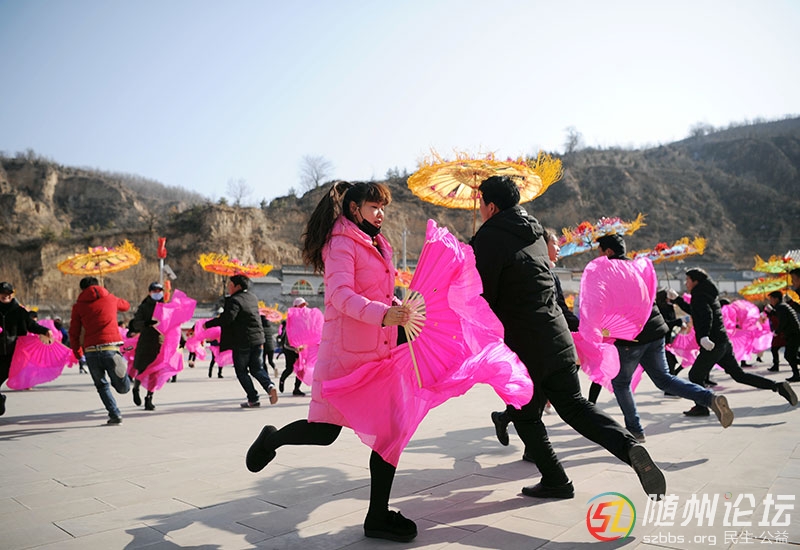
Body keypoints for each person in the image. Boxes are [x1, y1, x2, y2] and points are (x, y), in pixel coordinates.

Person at [245, 181, 418, 542]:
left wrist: (396, 307)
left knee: (390, 432)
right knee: (324, 433)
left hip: (377, 354)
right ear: (354, 208)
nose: (380, 214)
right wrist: (383, 314)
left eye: (383, 208)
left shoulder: (377, 243)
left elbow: (378, 293)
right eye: (374, 207)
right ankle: (271, 440)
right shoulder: (341, 243)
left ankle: (377, 516)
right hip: (344, 356)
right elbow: (340, 295)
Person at [475, 176, 665, 501]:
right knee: (574, 406)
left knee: (523, 413)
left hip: (525, 342)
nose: (480, 210)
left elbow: (484, 295)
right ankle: (628, 446)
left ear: (490, 206)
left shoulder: (489, 236)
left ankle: (556, 480)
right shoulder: (535, 233)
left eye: (481, 203)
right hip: (557, 335)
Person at [593, 234, 733, 442]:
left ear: (609, 252)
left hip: (633, 337)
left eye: (600, 252)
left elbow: (610, 306)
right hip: (656, 331)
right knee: (664, 379)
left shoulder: (610, 273)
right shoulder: (638, 268)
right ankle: (709, 398)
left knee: (621, 383)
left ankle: (635, 430)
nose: (598, 256)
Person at [669, 268, 797, 413]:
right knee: (739, 375)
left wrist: (704, 335)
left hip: (712, 344)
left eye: (687, 280)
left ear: (695, 281)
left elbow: (706, 315)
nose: (686, 283)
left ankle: (702, 406)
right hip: (723, 342)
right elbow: (696, 311)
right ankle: (777, 386)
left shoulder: (699, 295)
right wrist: (677, 299)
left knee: (695, 375)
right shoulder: (707, 293)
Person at [205, 274, 277, 408]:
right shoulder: (252, 297)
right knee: (257, 368)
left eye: (230, 285)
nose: (228, 287)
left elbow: (228, 319)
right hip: (258, 339)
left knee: (241, 371)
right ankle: (269, 386)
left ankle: (253, 398)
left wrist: (208, 324)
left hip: (243, 341)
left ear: (237, 286)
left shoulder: (234, 300)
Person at [68, 276, 131, 424]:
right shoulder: (111, 299)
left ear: (82, 289)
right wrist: (109, 294)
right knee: (123, 388)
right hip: (111, 347)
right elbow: (126, 306)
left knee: (102, 385)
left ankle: (115, 415)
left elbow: (74, 332)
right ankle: (122, 380)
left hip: (91, 351)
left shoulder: (78, 306)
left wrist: (78, 352)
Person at [0, 282, 53, 416]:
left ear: (12, 295)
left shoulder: (19, 311)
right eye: (2, 293)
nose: (5, 296)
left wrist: (45, 330)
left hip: (14, 353)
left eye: (8, 293)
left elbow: (31, 325)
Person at [127, 282, 165, 411]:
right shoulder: (144, 307)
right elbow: (136, 323)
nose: (157, 293)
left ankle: (149, 398)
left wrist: (180, 339)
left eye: (159, 290)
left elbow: (172, 324)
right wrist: (146, 323)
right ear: (150, 292)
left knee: (155, 372)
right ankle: (136, 388)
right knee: (142, 369)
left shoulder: (165, 306)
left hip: (159, 343)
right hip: (145, 342)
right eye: (155, 291)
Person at [765, 290, 800, 382]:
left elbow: (783, 321)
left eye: (771, 299)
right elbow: (780, 316)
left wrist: (777, 331)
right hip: (792, 334)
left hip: (793, 334)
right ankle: (796, 375)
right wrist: (771, 312)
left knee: (789, 356)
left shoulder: (781, 307)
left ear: (776, 299)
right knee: (791, 356)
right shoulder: (781, 306)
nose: (770, 301)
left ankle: (796, 375)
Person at [278, 297, 307, 396]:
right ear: (295, 307)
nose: (303, 308)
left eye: (304, 305)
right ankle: (282, 380)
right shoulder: (290, 319)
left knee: (301, 369)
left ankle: (296, 389)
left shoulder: (305, 319)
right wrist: (294, 348)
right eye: (301, 306)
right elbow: (287, 339)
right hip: (289, 349)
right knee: (289, 368)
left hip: (300, 348)